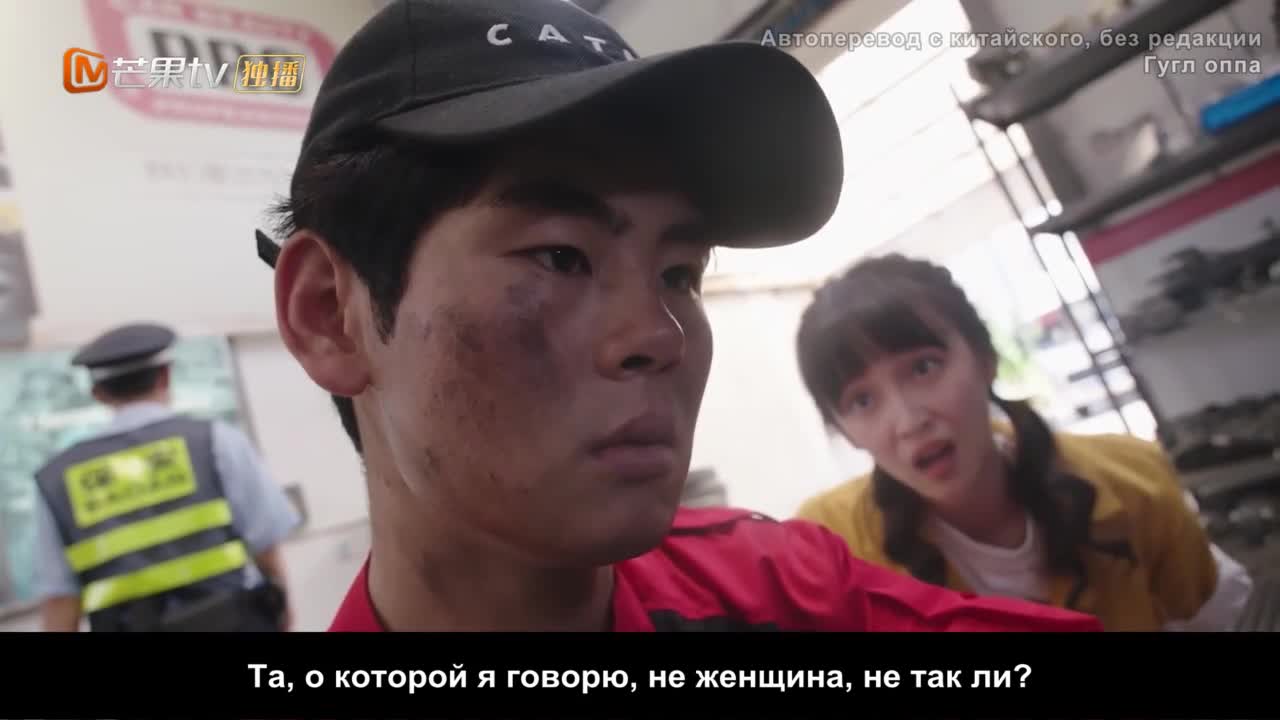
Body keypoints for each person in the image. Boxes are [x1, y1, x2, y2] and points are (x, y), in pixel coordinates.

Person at [256, 0, 1102, 632]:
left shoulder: (783, 593)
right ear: (329, 314)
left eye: (679, 273)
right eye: (560, 257)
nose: (657, 336)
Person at [792, 254, 1254, 631]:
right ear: (844, 431)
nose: (909, 421)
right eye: (862, 400)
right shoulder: (828, 550)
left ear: (985, 359)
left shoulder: (1132, 482)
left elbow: (1217, 616)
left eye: (924, 367)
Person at [32, 323, 301, 631]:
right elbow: (265, 544)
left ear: (99, 394)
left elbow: (60, 598)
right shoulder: (216, 441)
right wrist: (283, 611)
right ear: (165, 376)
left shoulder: (57, 479)